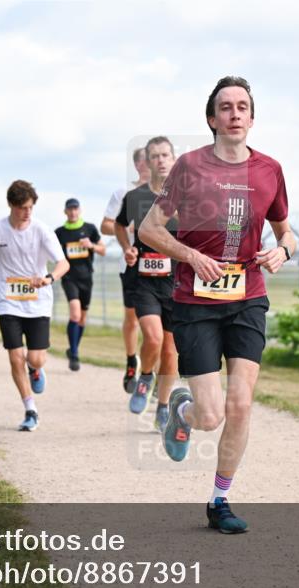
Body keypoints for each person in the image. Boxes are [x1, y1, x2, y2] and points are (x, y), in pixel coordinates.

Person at [138, 76, 294, 534]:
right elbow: (150, 229)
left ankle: (219, 500)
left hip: (247, 297)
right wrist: (191, 255)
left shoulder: (270, 170)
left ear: (251, 116)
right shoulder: (188, 167)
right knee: (211, 417)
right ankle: (183, 412)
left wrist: (282, 251)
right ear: (212, 119)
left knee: (241, 404)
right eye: (225, 107)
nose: (234, 114)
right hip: (195, 301)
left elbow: (286, 231)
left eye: (242, 106)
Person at [0, 180, 70, 432]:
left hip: (37, 303)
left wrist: (48, 278)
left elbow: (63, 263)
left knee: (35, 358)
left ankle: (35, 369)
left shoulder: (41, 230)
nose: (27, 212)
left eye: (30, 207)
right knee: (15, 357)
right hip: (8, 301)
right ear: (11, 205)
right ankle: (30, 409)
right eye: (22, 207)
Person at [116, 137, 180, 431]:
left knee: (170, 351)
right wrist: (127, 247)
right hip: (144, 281)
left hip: (177, 284)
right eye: (155, 156)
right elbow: (119, 225)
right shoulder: (135, 198)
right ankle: (144, 379)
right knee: (152, 339)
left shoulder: (188, 198)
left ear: (174, 158)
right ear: (147, 163)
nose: (162, 160)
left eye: (166, 155)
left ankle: (163, 406)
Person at [100, 147, 150, 392]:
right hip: (131, 264)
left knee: (159, 328)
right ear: (139, 164)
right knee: (133, 320)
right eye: (148, 160)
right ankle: (132, 361)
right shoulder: (124, 193)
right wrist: (129, 227)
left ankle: (151, 373)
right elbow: (106, 226)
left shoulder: (167, 193)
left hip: (162, 266)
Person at [54, 198, 105, 371]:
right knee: (75, 314)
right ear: (65, 212)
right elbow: (52, 252)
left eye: (75, 209)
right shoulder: (59, 233)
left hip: (86, 278)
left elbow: (103, 250)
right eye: (70, 209)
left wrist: (91, 245)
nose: (73, 212)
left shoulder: (89, 229)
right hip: (69, 277)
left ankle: (72, 347)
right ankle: (74, 354)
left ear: (80, 210)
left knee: (82, 318)